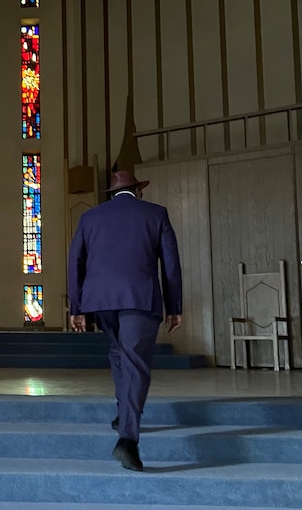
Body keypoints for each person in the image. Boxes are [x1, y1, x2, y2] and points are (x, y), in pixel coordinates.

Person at [67, 169, 183, 472]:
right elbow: (170, 263)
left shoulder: (90, 217)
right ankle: (128, 439)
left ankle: (124, 414)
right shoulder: (155, 214)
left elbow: (74, 262)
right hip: (138, 298)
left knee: (119, 353)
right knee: (135, 361)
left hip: (100, 301)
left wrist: (76, 308)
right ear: (138, 190)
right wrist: (175, 306)